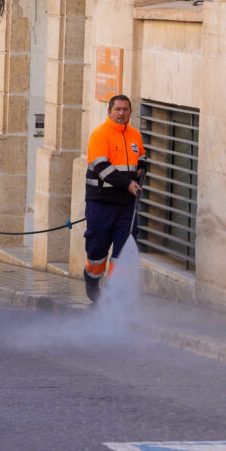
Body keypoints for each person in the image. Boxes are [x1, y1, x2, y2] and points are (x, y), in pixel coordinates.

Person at [83, 94, 147, 303]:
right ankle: (92, 280)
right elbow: (102, 168)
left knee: (123, 250)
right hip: (101, 203)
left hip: (126, 206)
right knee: (97, 249)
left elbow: (141, 157)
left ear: (130, 112)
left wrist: (142, 169)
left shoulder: (135, 135)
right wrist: (128, 184)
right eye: (117, 109)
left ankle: (113, 294)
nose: (121, 113)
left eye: (125, 109)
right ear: (109, 111)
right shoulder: (100, 135)